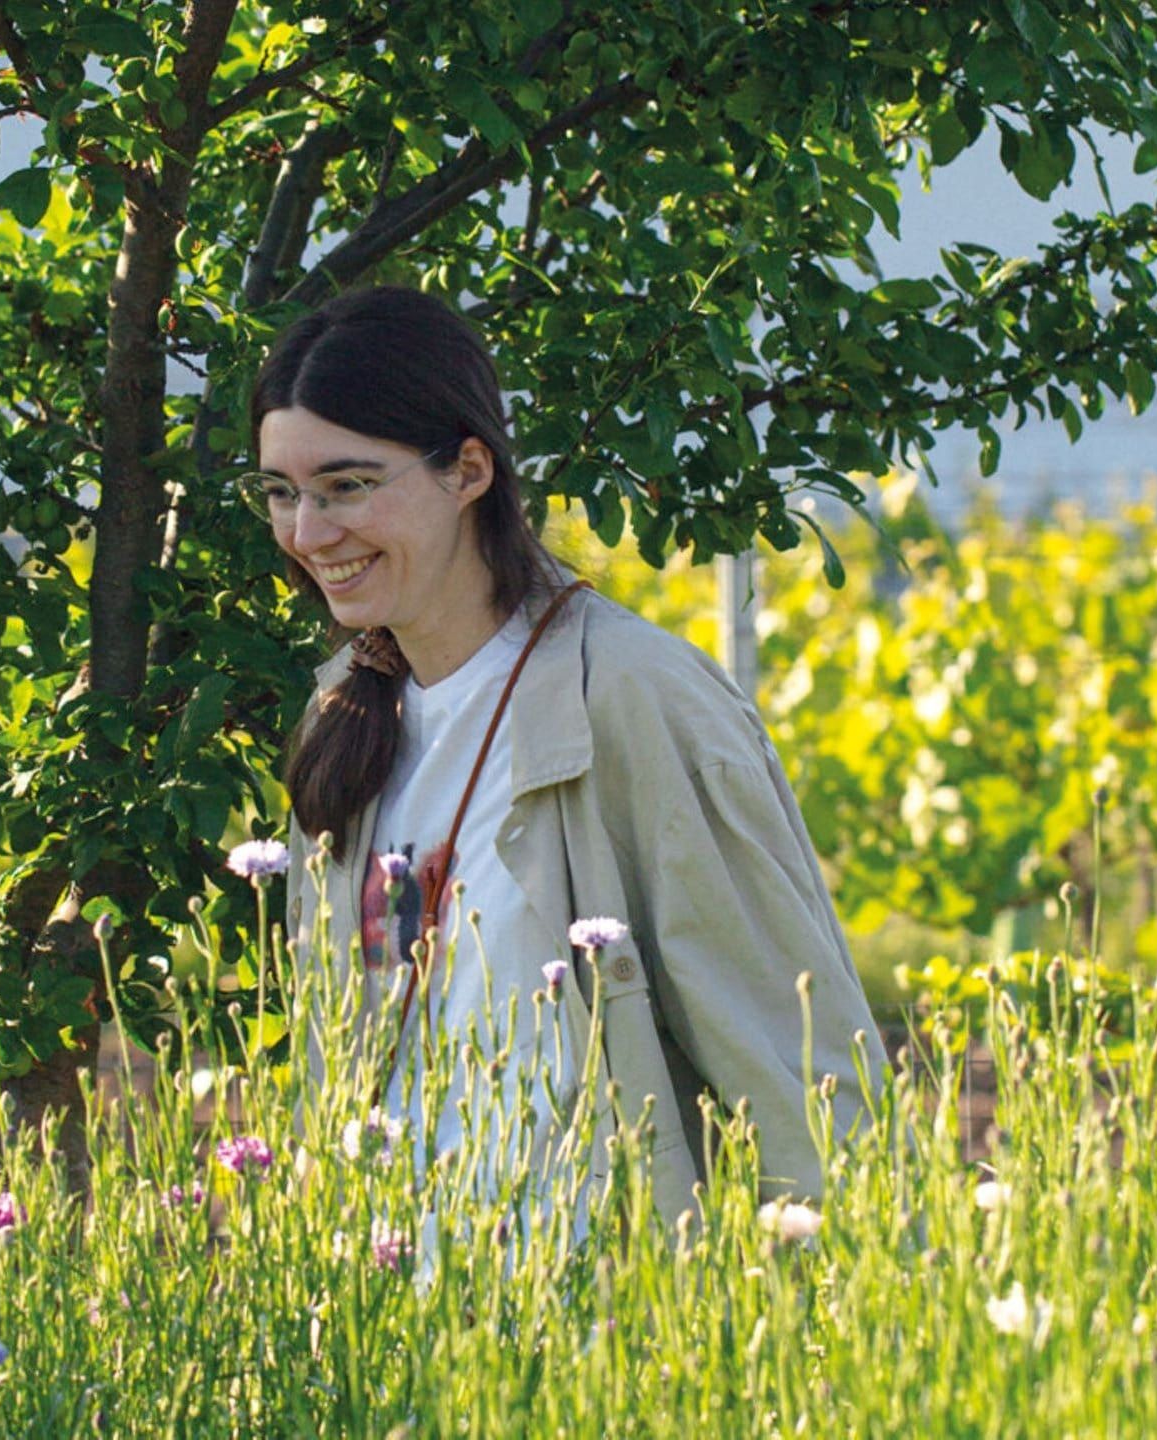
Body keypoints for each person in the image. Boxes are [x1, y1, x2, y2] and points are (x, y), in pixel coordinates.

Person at [246, 285, 885, 1224]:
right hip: (397, 1293)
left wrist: (863, 1269)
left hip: (603, 1299)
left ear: (468, 471)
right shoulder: (342, 711)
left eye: (348, 486)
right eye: (281, 493)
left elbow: (790, 1049)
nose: (308, 533)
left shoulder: (629, 697)